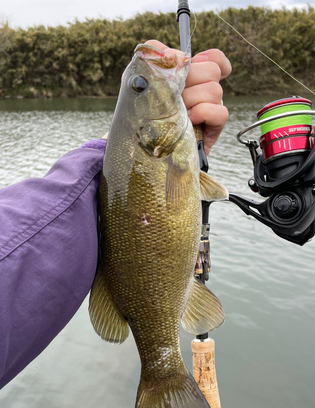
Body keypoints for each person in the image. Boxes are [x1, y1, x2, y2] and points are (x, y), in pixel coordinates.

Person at [0, 40, 232, 390]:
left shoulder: (157, 144)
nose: (142, 77)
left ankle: (164, 375)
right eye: (139, 86)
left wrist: (96, 161)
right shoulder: (159, 147)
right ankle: (163, 372)